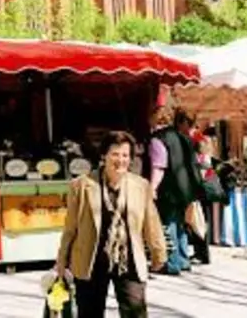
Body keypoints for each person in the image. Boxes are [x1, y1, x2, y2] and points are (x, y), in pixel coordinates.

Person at [55, 131, 167, 318]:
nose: (120, 160)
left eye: (125, 155)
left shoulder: (140, 186)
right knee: (89, 312)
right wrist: (61, 261)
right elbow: (70, 227)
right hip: (91, 259)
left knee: (135, 310)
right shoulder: (82, 186)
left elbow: (151, 222)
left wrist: (159, 253)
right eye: (115, 154)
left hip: (128, 259)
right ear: (104, 156)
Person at [147, 106, 201, 276]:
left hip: (168, 189)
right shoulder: (185, 138)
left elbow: (159, 167)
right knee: (180, 224)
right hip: (186, 189)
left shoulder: (159, 139)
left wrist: (152, 187)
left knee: (167, 225)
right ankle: (184, 260)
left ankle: (172, 263)